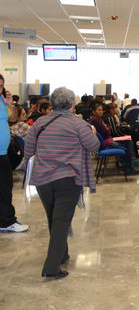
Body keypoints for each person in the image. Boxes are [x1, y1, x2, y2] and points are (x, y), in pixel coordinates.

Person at [23, 87, 99, 279]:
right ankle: (51, 267)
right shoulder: (78, 124)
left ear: (52, 104)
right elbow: (93, 145)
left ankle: (62, 253)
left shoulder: (40, 123)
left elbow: (29, 151)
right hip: (68, 179)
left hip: (43, 179)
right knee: (61, 219)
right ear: (72, 105)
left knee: (54, 217)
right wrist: (93, 132)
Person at [0, 74, 26, 233]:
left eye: (1, 86)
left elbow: (13, 118)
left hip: (3, 153)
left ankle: (6, 221)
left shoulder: (2, 101)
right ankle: (7, 221)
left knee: (5, 188)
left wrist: (10, 104)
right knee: (4, 189)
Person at [89, 101, 139, 174]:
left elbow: (108, 129)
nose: (101, 111)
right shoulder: (95, 121)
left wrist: (107, 128)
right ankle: (128, 167)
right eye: (99, 110)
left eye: (102, 110)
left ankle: (126, 164)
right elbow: (107, 132)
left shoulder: (99, 119)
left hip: (107, 140)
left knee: (129, 142)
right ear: (93, 112)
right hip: (106, 142)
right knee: (127, 145)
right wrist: (107, 128)